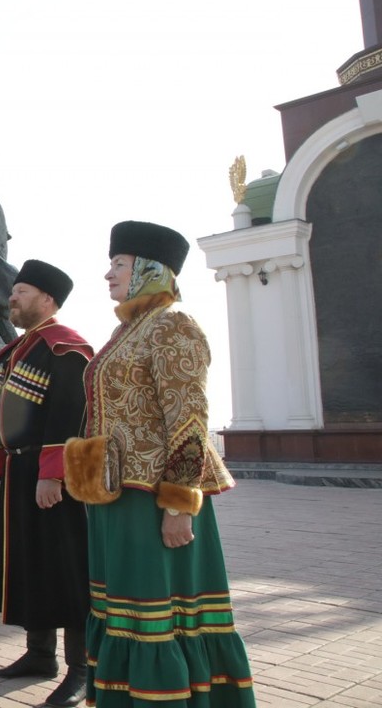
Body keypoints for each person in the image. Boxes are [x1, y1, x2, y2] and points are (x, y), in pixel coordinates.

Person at [64, 221, 256, 706]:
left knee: (156, 616)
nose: (109, 274)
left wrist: (179, 505)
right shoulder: (128, 329)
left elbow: (189, 420)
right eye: (111, 264)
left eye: (119, 264)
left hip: (154, 500)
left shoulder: (173, 324)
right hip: (117, 498)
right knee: (122, 612)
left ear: (151, 269)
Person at [0, 261, 93, 707]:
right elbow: (0, 417)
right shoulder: (17, 351)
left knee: (65, 570)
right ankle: (39, 655)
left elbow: (69, 415)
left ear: (47, 299)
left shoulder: (66, 348)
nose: (12, 298)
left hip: (52, 477)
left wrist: (52, 473)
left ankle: (81, 670)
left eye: (21, 291)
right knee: (29, 564)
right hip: (20, 471)